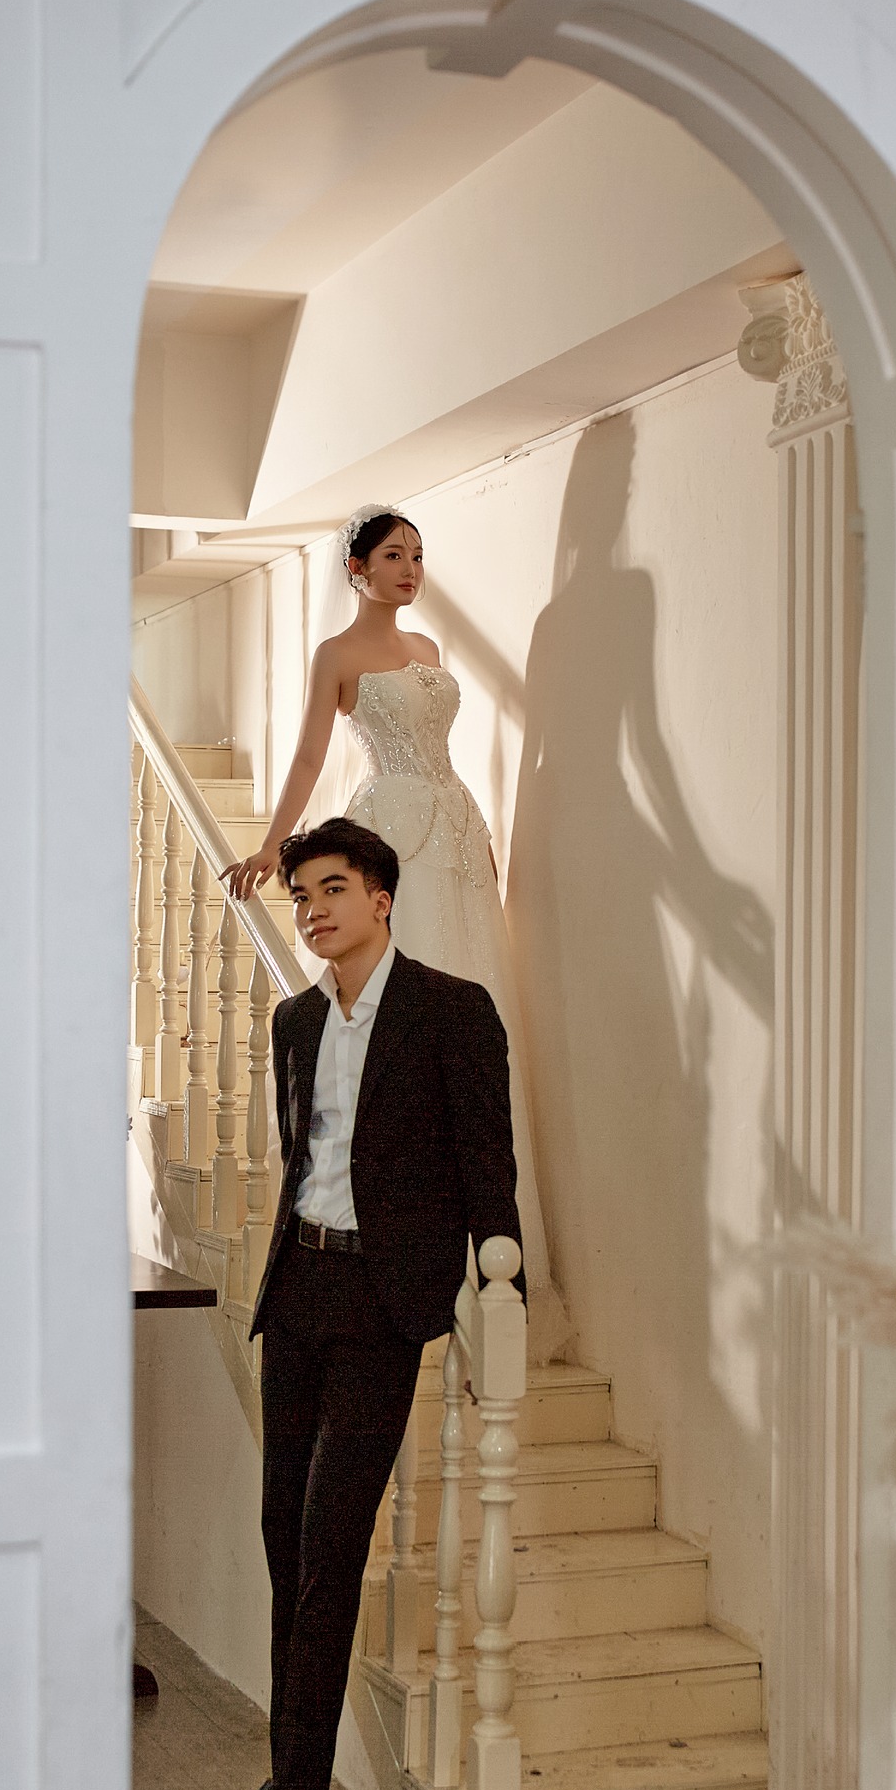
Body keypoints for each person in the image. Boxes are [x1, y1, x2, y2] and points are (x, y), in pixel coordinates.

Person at [203, 817, 523, 1790]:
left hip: (383, 1307)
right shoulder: (295, 1020)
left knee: (332, 1544)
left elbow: (487, 1161)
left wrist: (504, 1298)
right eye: (301, 896)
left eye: (333, 889)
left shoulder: (452, 1011)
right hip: (299, 1289)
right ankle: (291, 1789)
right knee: (285, 1543)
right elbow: (304, 1158)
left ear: (382, 898)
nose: (313, 910)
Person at [222, 503, 568, 1361]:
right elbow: (310, 755)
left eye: (417, 555)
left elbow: (445, 750)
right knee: (403, 1013)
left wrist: (477, 834)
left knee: (468, 1005)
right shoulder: (336, 656)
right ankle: (395, 1254)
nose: (410, 568)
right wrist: (272, 845)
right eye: (392, 555)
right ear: (357, 569)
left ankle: (486, 1273)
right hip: (397, 830)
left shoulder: (429, 650)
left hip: (454, 830)